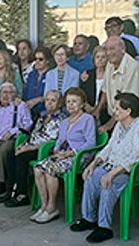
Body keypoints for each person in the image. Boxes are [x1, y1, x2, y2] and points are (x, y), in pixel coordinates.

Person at [70, 92, 139, 243]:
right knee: (90, 176)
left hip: (134, 170)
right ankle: (88, 218)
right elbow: (109, 147)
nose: (114, 112)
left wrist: (112, 173)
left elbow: (138, 154)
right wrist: (94, 163)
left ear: (128, 111)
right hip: (114, 165)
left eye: (117, 109)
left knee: (107, 182)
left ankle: (104, 227)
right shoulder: (120, 125)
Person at [32, 87, 96, 223]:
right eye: (68, 102)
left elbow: (91, 142)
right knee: (38, 168)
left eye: (74, 101)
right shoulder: (65, 121)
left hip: (79, 156)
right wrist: (56, 151)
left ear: (82, 104)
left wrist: (71, 152)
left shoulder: (87, 119)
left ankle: (52, 208)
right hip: (62, 155)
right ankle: (44, 205)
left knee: (50, 170)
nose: (71, 104)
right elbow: (60, 141)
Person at [3, 87, 66, 207]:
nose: (49, 103)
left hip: (46, 150)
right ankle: (11, 190)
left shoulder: (62, 120)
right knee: (10, 154)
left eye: (53, 100)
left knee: (21, 158)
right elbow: (34, 134)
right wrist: (24, 144)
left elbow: (53, 140)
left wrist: (30, 148)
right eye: (47, 100)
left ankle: (22, 195)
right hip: (32, 146)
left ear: (60, 103)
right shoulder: (42, 116)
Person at [97, 36, 139, 132]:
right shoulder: (110, 64)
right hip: (114, 116)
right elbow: (105, 90)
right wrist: (97, 109)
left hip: (130, 119)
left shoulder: (133, 67)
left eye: (112, 49)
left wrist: (109, 124)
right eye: (106, 49)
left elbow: (127, 102)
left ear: (123, 49)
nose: (108, 53)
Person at [22, 46, 51, 116]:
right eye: (35, 59)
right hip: (29, 111)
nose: (37, 62)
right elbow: (26, 92)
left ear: (48, 61)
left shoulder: (51, 74)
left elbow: (53, 95)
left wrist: (37, 100)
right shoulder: (31, 75)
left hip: (45, 112)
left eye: (40, 59)